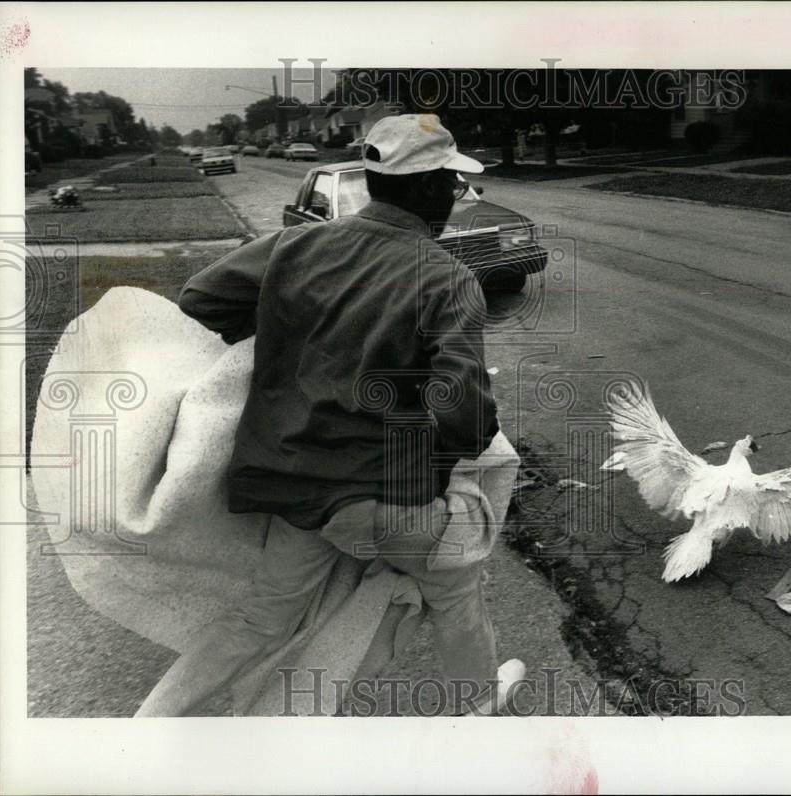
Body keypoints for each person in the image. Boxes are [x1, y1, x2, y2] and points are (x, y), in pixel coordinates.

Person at [135, 114, 525, 717]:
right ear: (427, 189)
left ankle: (154, 720)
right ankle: (477, 707)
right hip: (384, 489)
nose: (456, 195)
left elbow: (200, 299)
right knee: (454, 585)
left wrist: (283, 340)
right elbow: (465, 416)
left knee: (263, 616)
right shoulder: (447, 278)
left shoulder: (297, 244)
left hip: (293, 485)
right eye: (451, 182)